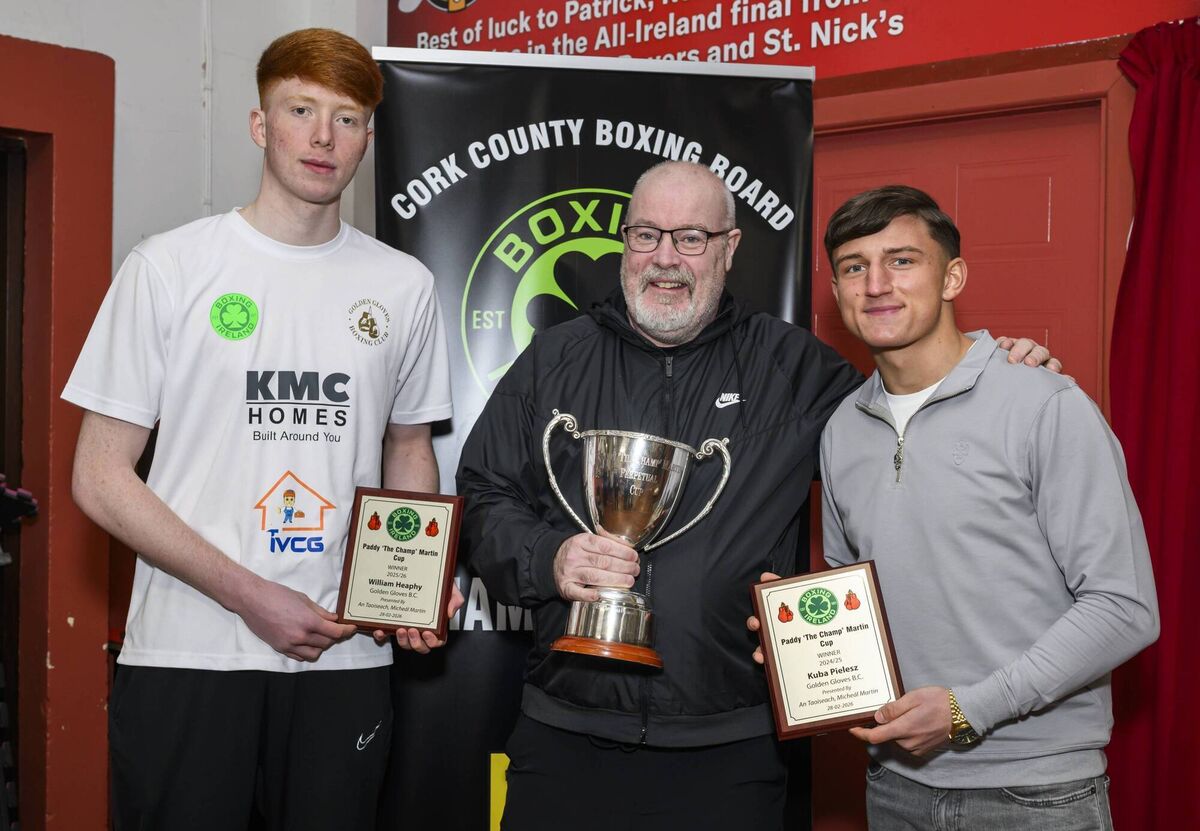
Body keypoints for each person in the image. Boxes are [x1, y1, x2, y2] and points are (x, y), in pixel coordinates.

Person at [456, 161, 1055, 830]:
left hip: (730, 750)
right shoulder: (553, 358)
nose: (665, 258)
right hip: (564, 731)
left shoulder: (795, 368)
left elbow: (910, 412)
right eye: (646, 234)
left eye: (691, 237)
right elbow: (484, 495)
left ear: (730, 247)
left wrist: (994, 366)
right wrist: (548, 557)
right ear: (624, 242)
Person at [63, 29, 460, 830]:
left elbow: (410, 450)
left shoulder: (403, 285)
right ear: (259, 124)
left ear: (368, 139)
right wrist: (248, 596)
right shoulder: (169, 267)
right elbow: (99, 476)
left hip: (346, 655)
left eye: (346, 119)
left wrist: (413, 580)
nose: (323, 137)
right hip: (190, 650)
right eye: (301, 110)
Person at [753, 185, 1158, 828]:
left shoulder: (1043, 404)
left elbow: (1124, 608)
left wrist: (969, 709)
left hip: (1037, 795)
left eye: (903, 259)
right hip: (895, 787)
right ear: (837, 292)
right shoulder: (841, 430)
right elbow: (864, 606)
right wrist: (800, 635)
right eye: (855, 267)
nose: (877, 283)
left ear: (953, 276)